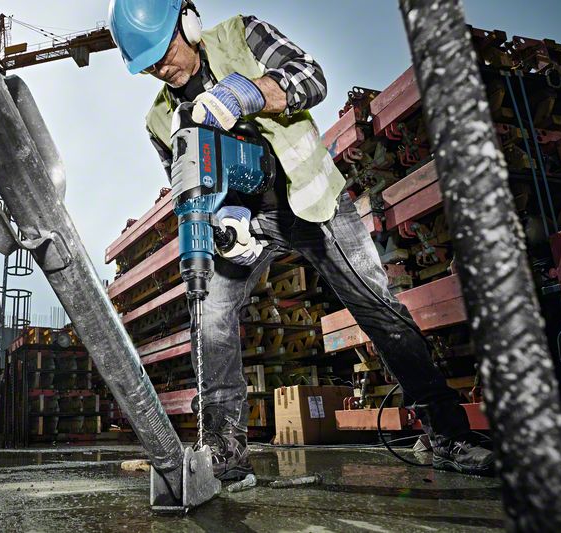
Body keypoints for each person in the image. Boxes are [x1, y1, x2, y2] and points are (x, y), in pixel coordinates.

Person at [108, 0, 494, 480]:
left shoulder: (242, 35)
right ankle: (222, 453)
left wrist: (249, 93)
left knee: (378, 308)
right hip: (244, 221)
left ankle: (448, 434)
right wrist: (224, 224)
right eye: (148, 65)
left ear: (188, 23)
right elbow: (188, 183)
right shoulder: (158, 120)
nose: (161, 69)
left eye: (164, 53)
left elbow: (311, 77)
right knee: (209, 314)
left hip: (312, 200)